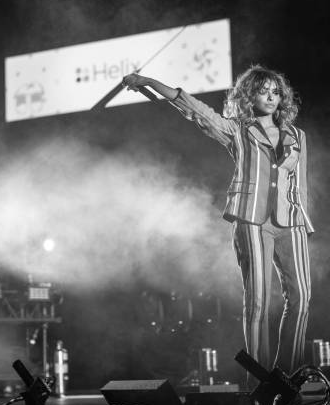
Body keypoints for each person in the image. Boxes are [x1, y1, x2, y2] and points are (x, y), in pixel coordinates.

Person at [122, 65, 314, 385]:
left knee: (302, 298)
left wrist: (304, 222)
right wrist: (149, 82)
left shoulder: (298, 136)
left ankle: (288, 378)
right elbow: (194, 110)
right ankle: (261, 382)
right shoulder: (237, 130)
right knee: (257, 301)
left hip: (290, 222)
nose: (270, 97)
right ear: (249, 96)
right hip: (252, 219)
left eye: (276, 92)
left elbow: (301, 184)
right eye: (263, 91)